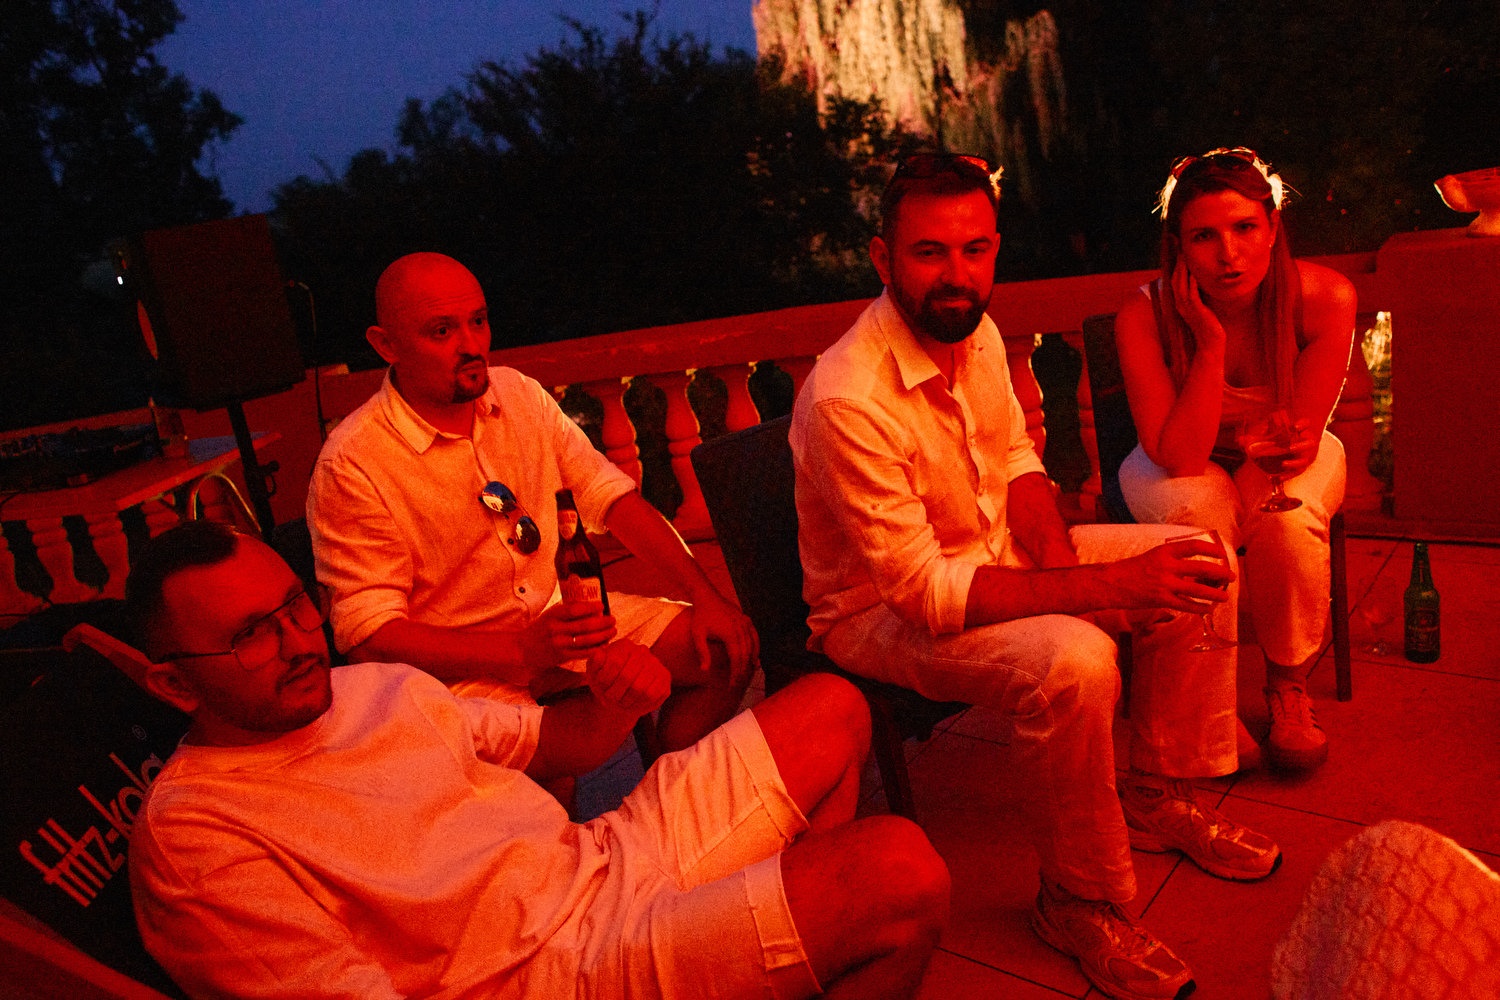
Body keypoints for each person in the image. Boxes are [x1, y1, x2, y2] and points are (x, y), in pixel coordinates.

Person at [791, 152, 1282, 1000]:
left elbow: (1017, 461)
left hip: (990, 555)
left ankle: (1155, 786)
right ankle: (1076, 901)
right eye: (930, 252)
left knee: (1200, 558)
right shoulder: (848, 397)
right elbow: (923, 593)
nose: (958, 275)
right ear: (882, 258)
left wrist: (1060, 563)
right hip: (877, 613)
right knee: (1074, 662)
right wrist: (1102, 591)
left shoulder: (973, 331)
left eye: (975, 249)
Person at [125, 520, 949, 999]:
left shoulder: (371, 688)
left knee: (833, 707)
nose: (299, 644)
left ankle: (773, 959)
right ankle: (778, 946)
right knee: (899, 873)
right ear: (171, 684)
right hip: (553, 974)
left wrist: (619, 698)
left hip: (601, 860)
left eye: (296, 609)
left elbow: (564, 743)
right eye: (250, 635)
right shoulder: (200, 835)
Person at [307, 252, 757, 758]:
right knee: (568, 757)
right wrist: (521, 651)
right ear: (386, 345)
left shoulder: (518, 394)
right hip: (454, 674)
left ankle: (669, 791)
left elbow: (611, 498)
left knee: (724, 649)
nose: (471, 345)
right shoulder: (353, 462)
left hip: (557, 624)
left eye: (478, 322)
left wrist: (705, 596)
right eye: (442, 331)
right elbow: (368, 635)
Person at [1113, 147, 1356, 772]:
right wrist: (1210, 343)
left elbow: (1299, 438)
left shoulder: (1325, 298)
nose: (1229, 254)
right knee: (1198, 520)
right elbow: (1178, 455)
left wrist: (1279, 459)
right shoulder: (1143, 315)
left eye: (1245, 227)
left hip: (1272, 452)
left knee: (1288, 518)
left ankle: (1287, 683)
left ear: (1272, 228)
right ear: (1179, 247)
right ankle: (1211, 701)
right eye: (1205, 237)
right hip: (1174, 452)